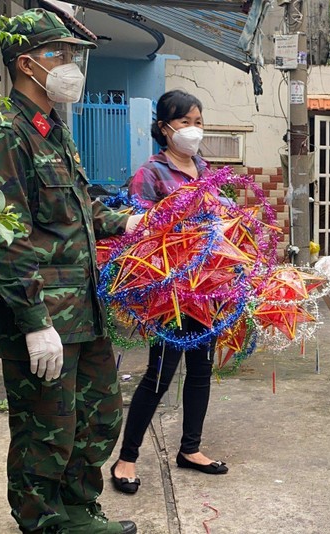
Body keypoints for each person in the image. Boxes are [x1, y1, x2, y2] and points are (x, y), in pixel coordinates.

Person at [0, 9, 142, 534]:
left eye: (71, 54)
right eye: (58, 54)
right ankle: (42, 520)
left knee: (100, 415)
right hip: (43, 316)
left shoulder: (54, 132)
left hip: (83, 310)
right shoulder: (3, 136)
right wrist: (33, 321)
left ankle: (79, 508)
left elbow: (79, 210)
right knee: (46, 427)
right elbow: (3, 237)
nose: (70, 65)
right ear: (27, 63)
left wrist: (132, 222)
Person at [109, 90, 228, 497]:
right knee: (160, 374)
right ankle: (126, 458)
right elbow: (139, 231)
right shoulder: (151, 173)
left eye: (198, 121)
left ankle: (190, 449)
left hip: (208, 287)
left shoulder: (204, 168)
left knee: (201, 370)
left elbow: (220, 212)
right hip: (170, 292)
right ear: (164, 128)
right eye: (184, 122)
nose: (194, 130)